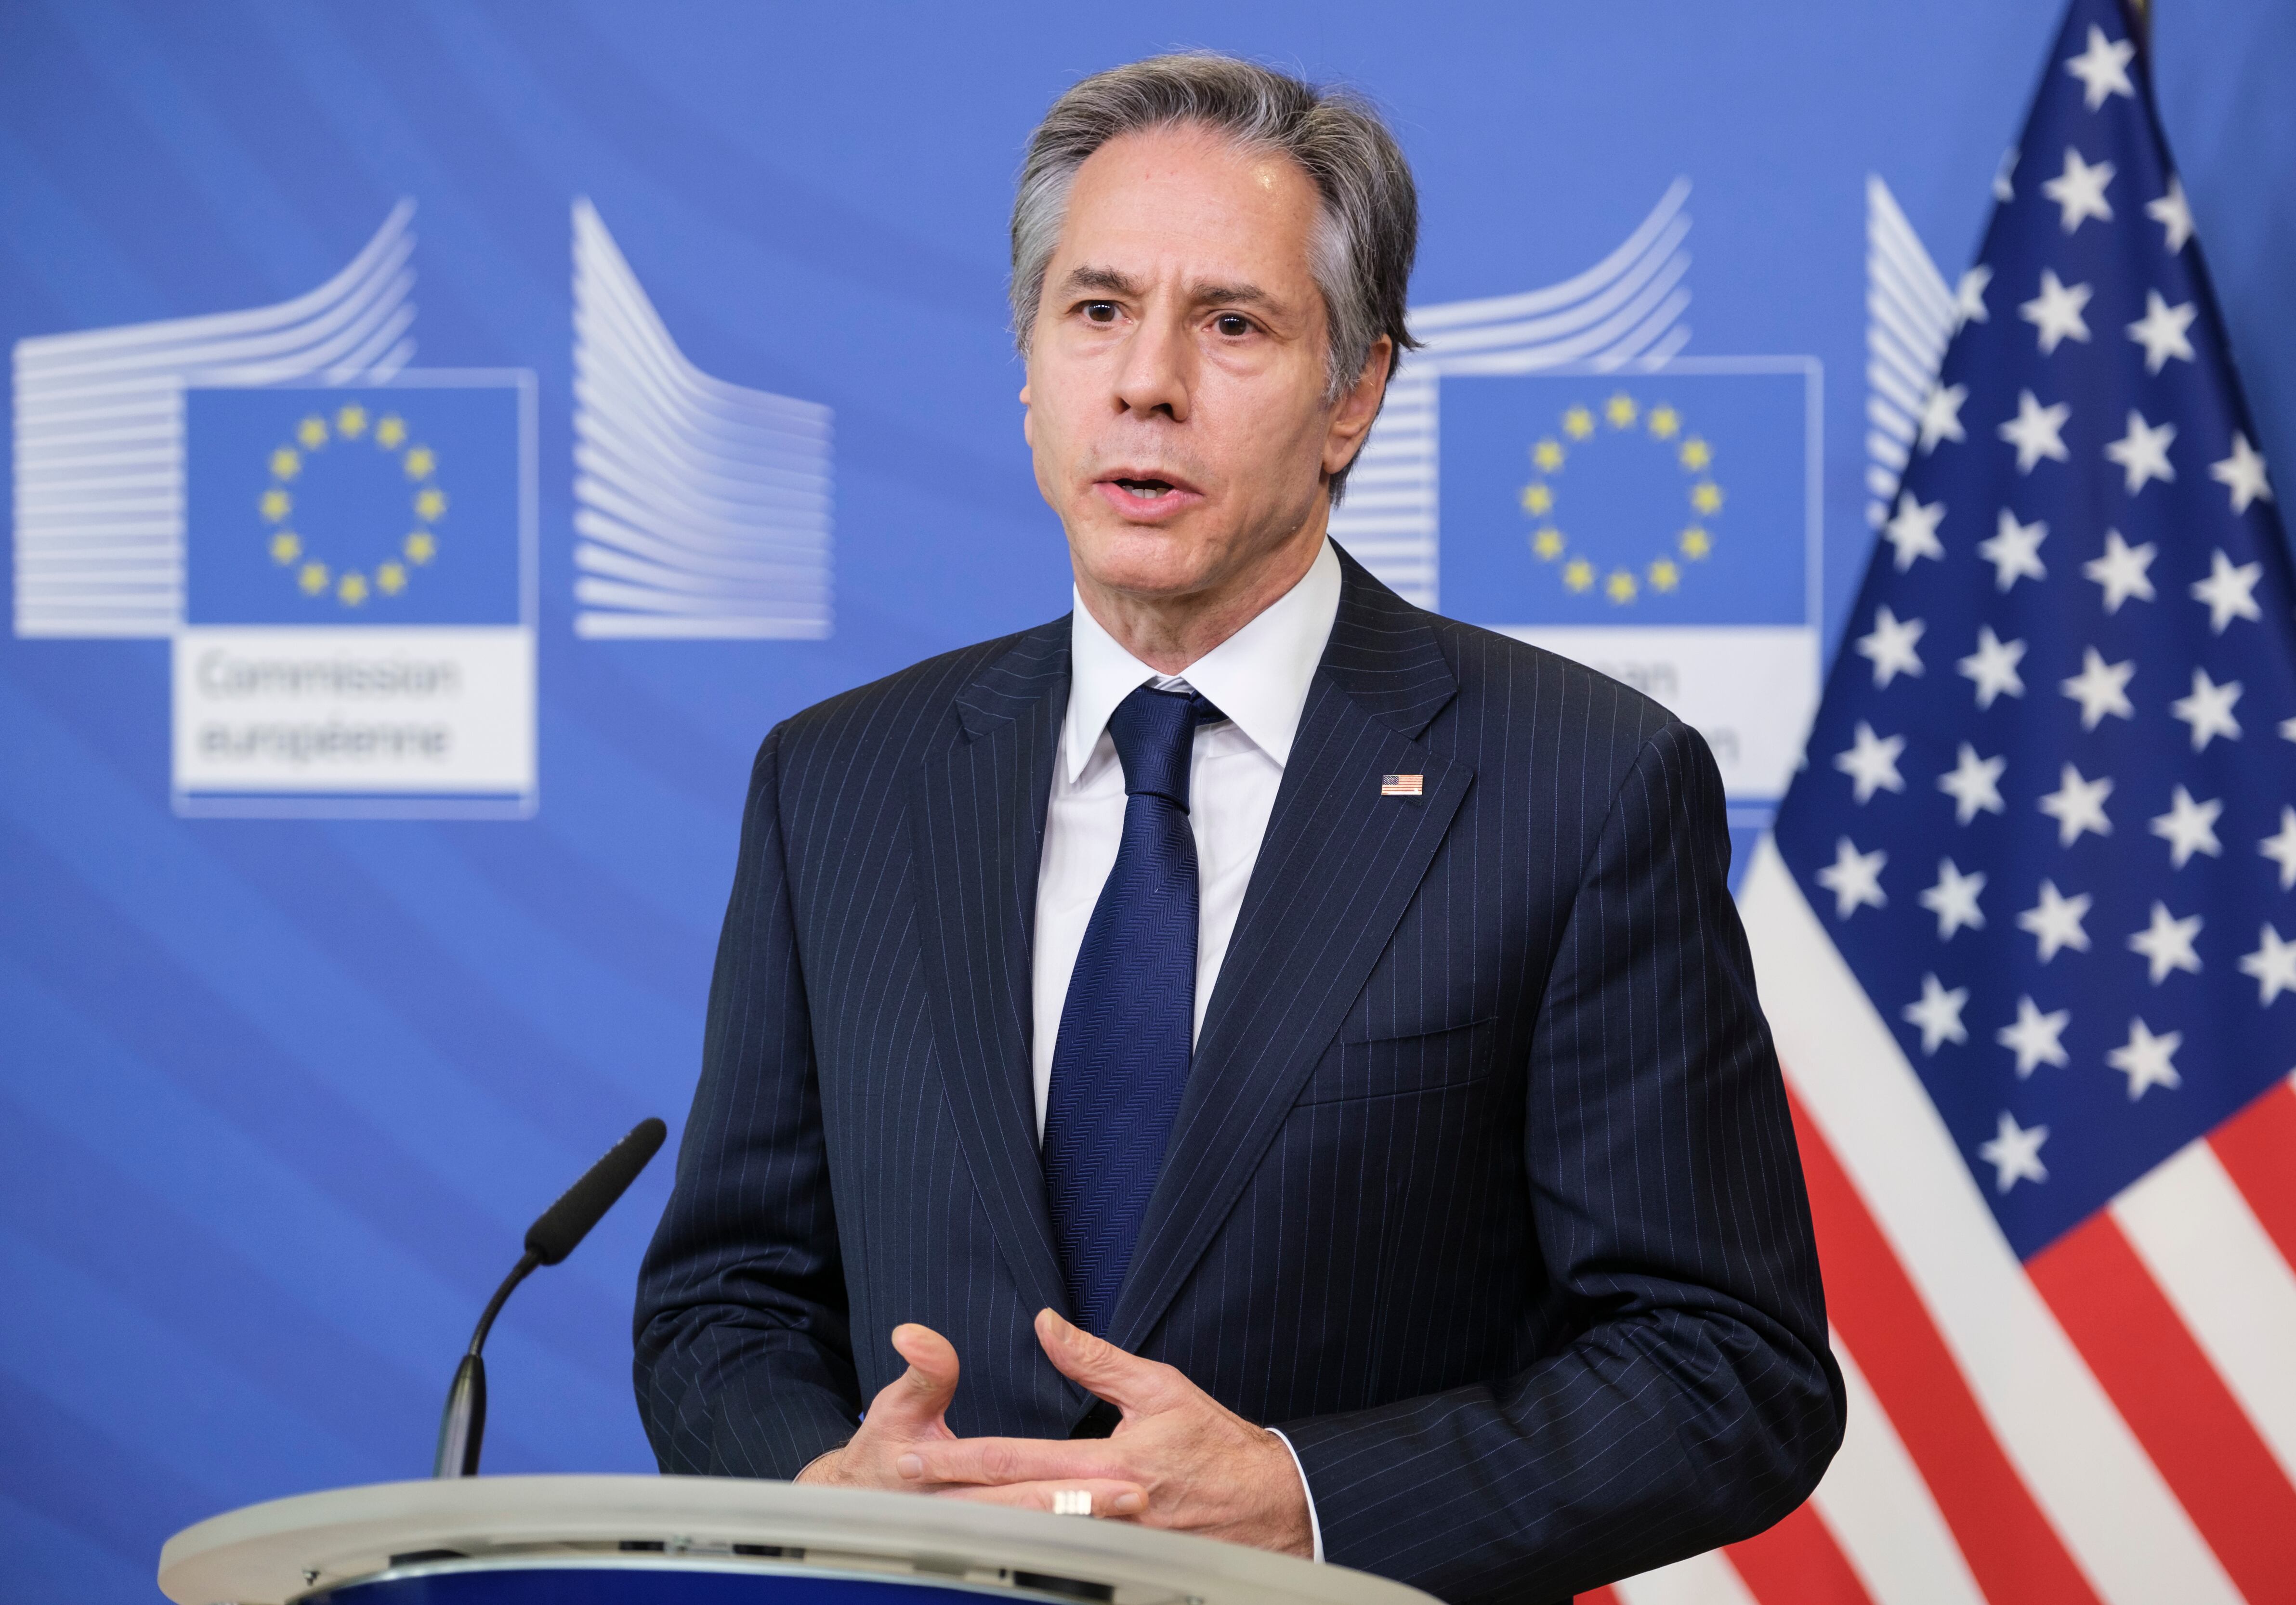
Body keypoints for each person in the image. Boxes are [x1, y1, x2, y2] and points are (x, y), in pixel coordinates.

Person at [635, 52, 1841, 1603]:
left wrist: (1307, 1497)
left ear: (1356, 396)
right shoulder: (842, 781)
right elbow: (726, 1297)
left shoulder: (1578, 785)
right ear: (1027, 367)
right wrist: (822, 1494)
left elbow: (1729, 1368)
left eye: (1232, 324)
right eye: (1096, 310)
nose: (1146, 381)